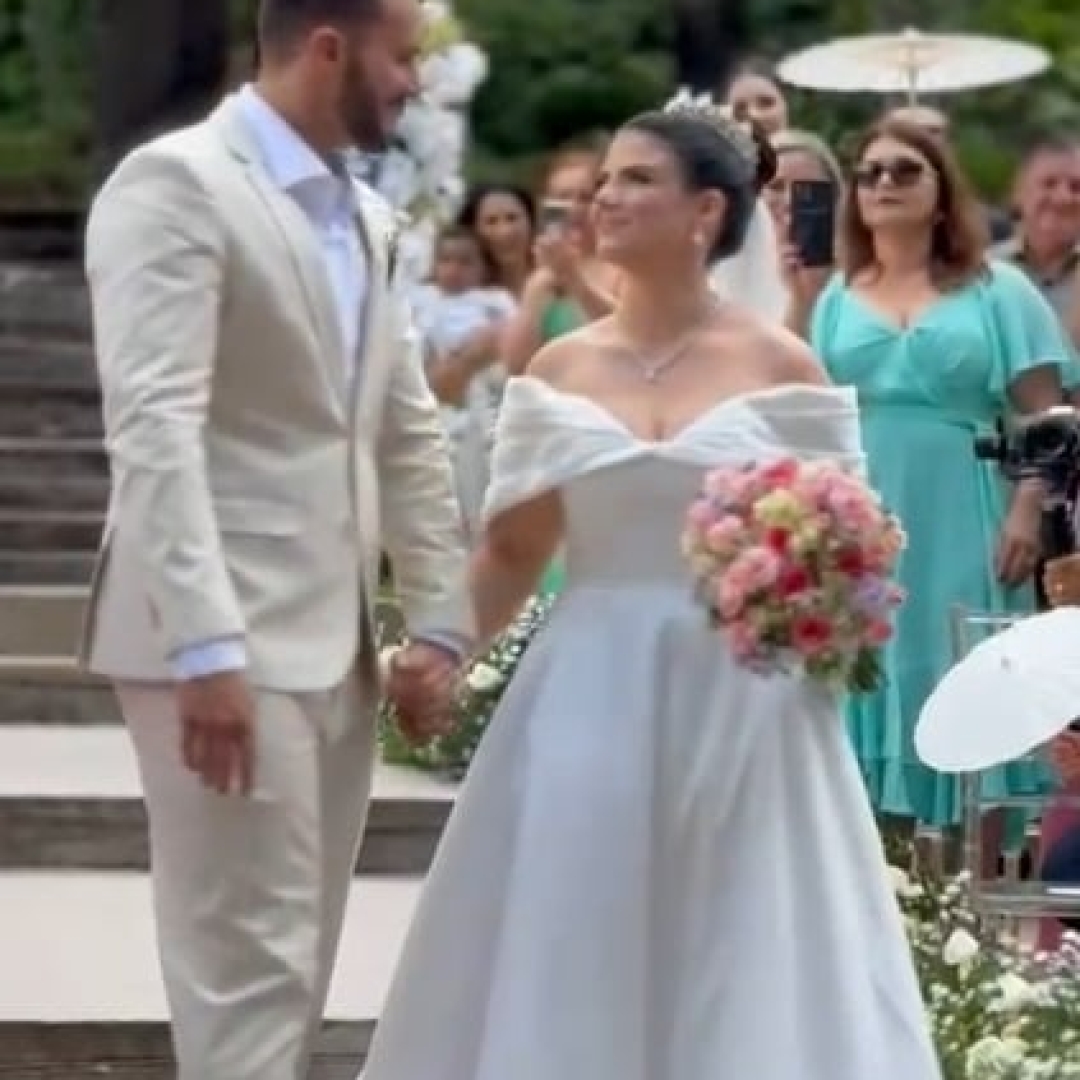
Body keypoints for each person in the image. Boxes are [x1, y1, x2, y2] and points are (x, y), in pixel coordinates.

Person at [360, 101, 942, 1080]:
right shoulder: (561, 364)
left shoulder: (780, 364)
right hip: (589, 682)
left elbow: (856, 548)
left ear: (706, 212)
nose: (605, 195)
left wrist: (813, 600)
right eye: (604, 179)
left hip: (749, 695)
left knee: (742, 939)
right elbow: (513, 548)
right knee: (580, 918)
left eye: (636, 179)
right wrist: (443, 650)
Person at [81, 1, 472, 1078]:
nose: (413, 85)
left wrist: (438, 617)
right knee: (245, 965)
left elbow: (402, 429)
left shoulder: (364, 218)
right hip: (217, 642)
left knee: (295, 962)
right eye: (403, 59)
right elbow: (154, 428)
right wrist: (205, 648)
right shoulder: (175, 186)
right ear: (329, 47)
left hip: (334, 644)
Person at [805, 119, 1073, 842]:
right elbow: (811, 418)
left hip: (968, 503)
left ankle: (969, 900)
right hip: (863, 512)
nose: (884, 183)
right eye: (870, 173)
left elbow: (1052, 414)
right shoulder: (833, 298)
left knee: (959, 673)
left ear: (941, 189)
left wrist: (1026, 508)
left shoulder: (998, 289)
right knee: (874, 672)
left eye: (905, 171)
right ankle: (887, 884)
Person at [411, 224, 515, 538]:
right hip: (441, 403)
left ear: (483, 267)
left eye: (465, 262)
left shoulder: (494, 301)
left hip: (488, 398)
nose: (454, 270)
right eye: (446, 261)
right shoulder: (424, 302)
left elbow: (512, 341)